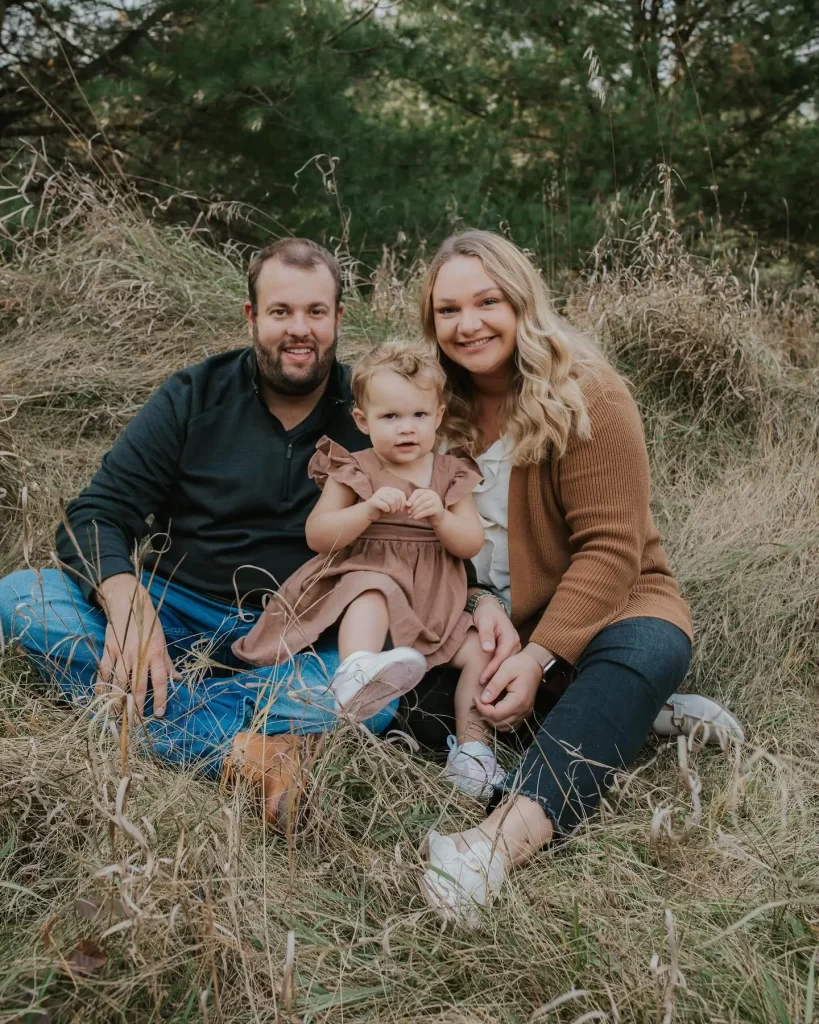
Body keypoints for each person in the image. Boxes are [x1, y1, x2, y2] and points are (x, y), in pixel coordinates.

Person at [0, 238, 520, 825]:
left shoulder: (380, 410)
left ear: (338, 319)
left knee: (373, 697)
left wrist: (478, 599)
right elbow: (97, 511)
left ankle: (162, 719)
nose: (299, 330)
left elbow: (429, 530)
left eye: (316, 312)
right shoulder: (193, 396)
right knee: (22, 596)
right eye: (281, 312)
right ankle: (249, 747)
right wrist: (126, 600)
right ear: (251, 316)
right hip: (176, 610)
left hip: (302, 630)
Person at [412, 230, 745, 927]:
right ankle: (635, 715)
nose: (467, 323)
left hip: (608, 609)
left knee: (646, 652)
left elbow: (610, 551)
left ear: (521, 301)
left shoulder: (584, 393)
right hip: (488, 626)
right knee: (407, 697)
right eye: (448, 311)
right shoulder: (432, 409)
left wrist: (538, 656)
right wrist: (477, 605)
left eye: (486, 301)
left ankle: (490, 846)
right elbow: (432, 543)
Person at [233, 342, 505, 797]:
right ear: (363, 421)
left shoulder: (450, 474)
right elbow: (318, 534)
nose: (406, 429)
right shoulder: (354, 469)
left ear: (438, 416)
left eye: (419, 416)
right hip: (367, 585)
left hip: (431, 601)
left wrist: (441, 515)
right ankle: (356, 672)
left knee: (480, 648)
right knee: (373, 586)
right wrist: (366, 513)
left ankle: (473, 753)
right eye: (390, 417)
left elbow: (470, 543)